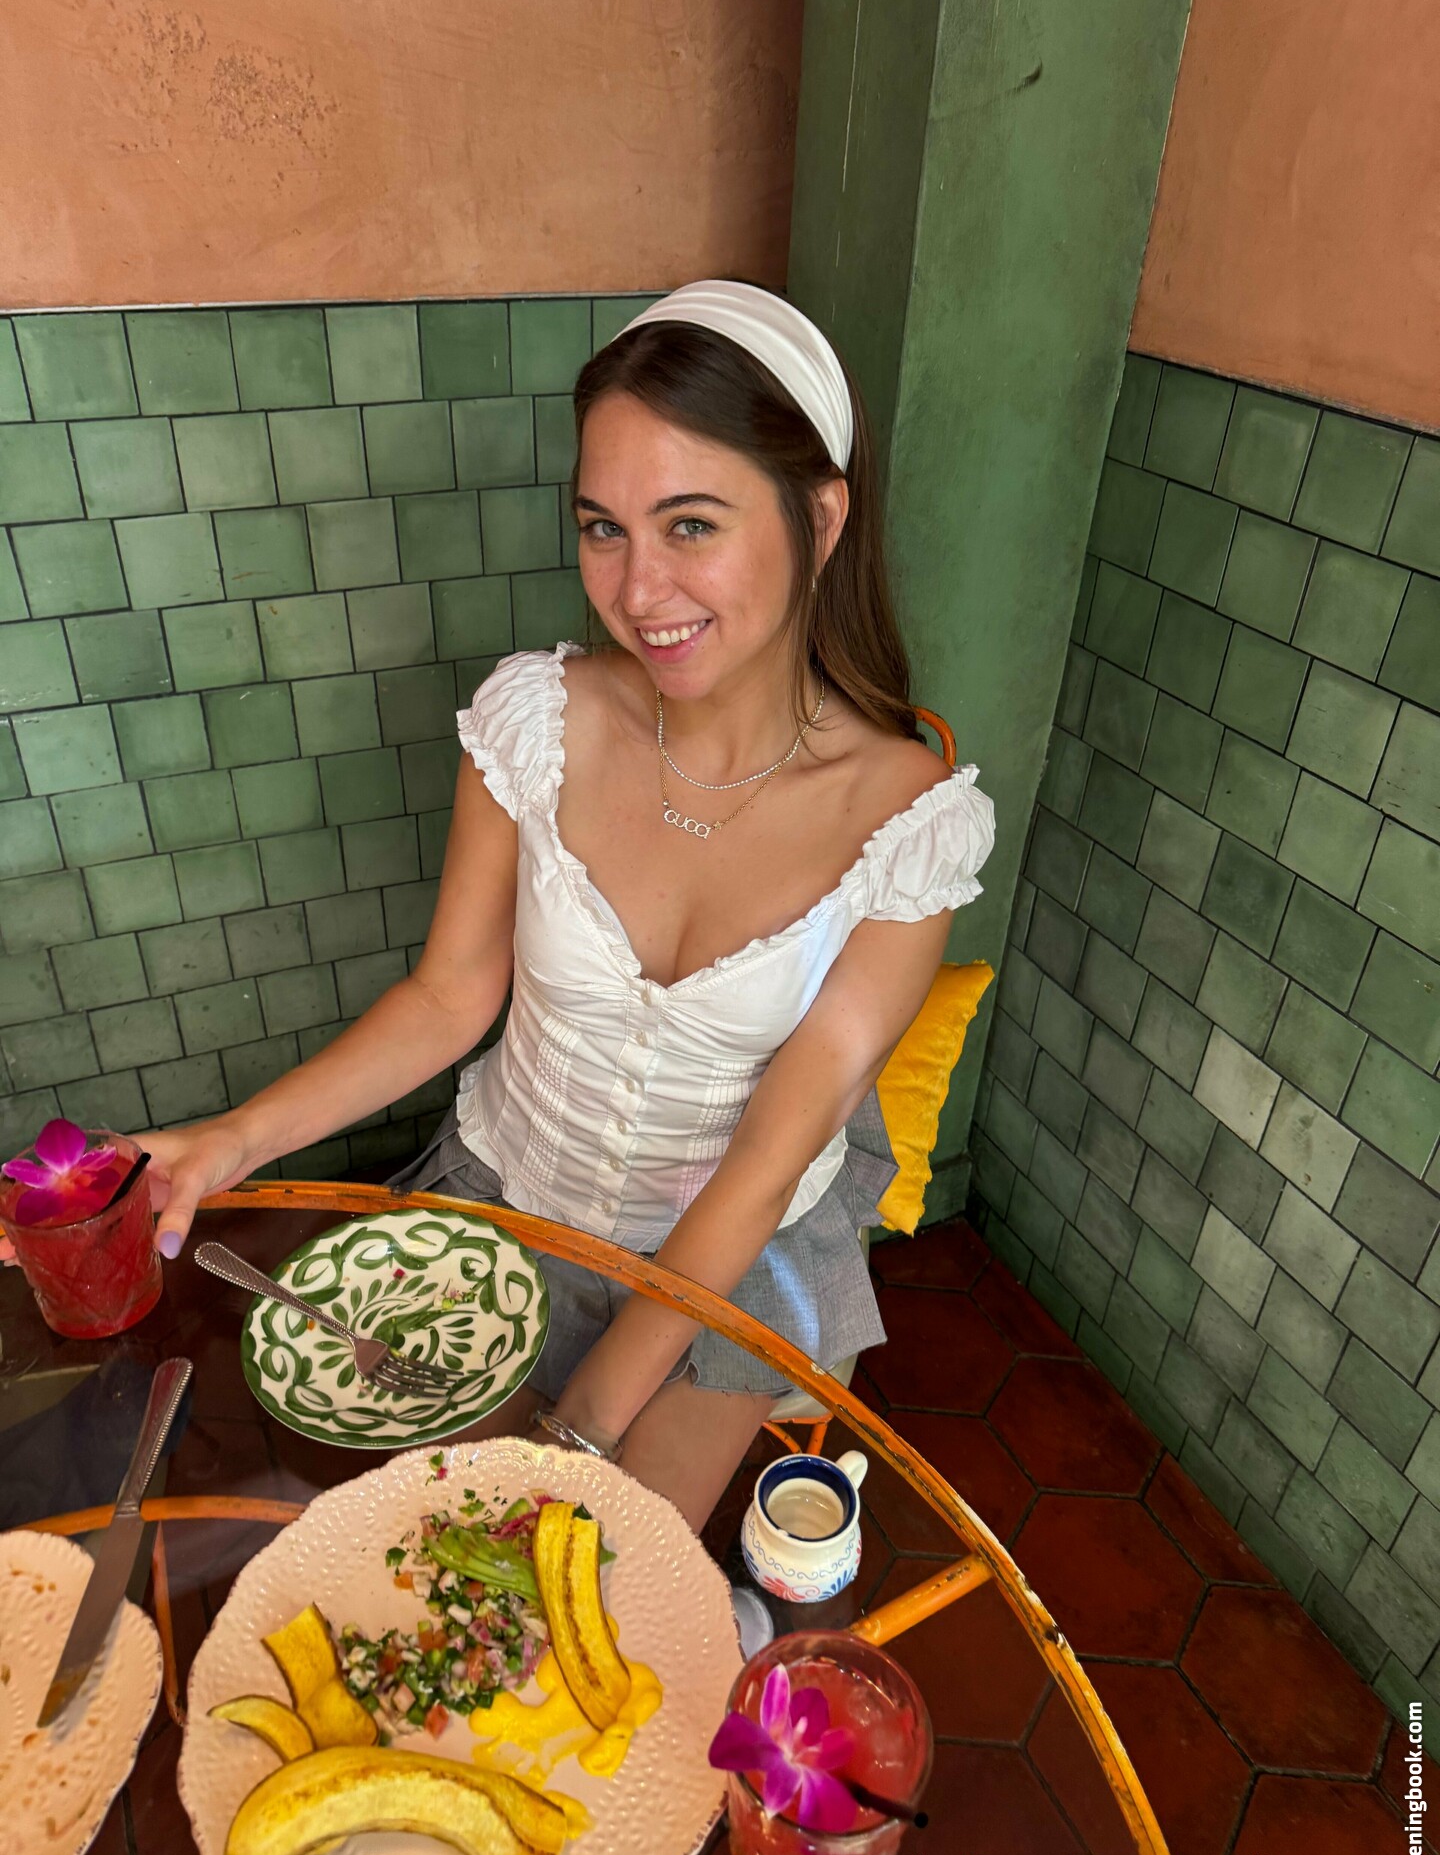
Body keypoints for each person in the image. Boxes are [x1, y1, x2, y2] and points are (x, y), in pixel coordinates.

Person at [71, 282, 996, 1530]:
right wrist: (231, 1141)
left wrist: (580, 1433)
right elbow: (450, 995)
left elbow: (771, 1154)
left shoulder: (909, 824)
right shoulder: (538, 719)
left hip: (737, 1252)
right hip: (515, 1188)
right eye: (603, 527)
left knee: (596, 1571)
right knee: (416, 1541)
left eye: (691, 524)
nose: (639, 588)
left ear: (820, 519)